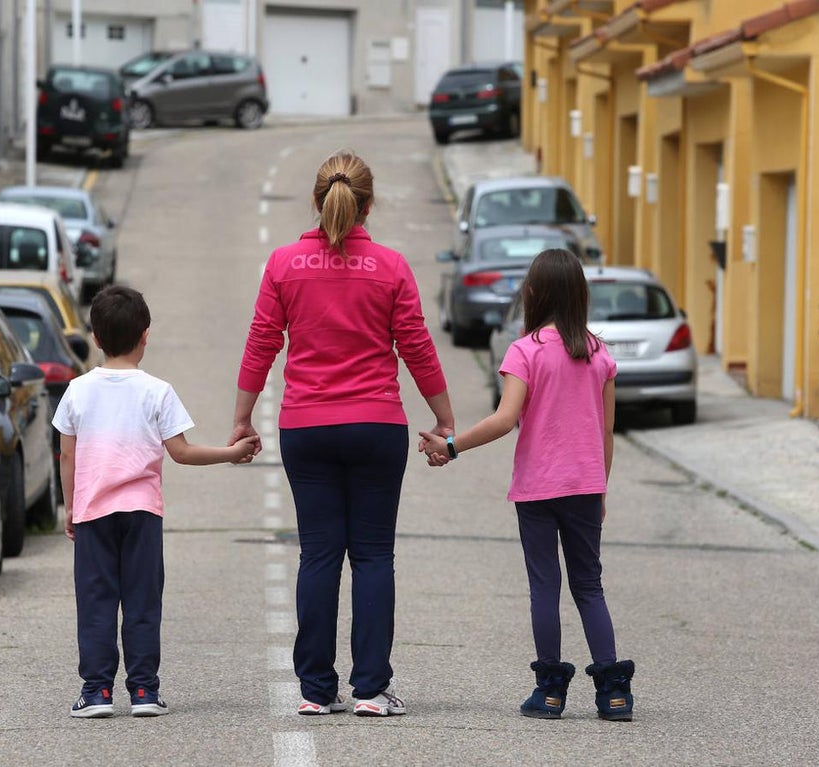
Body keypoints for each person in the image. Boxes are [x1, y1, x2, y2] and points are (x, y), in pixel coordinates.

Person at [231, 151, 454, 717]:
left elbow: (262, 342)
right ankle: (373, 690)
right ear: (368, 205)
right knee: (374, 556)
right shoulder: (392, 266)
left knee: (319, 555)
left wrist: (243, 417)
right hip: (376, 425)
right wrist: (444, 417)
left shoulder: (283, 264)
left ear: (315, 199)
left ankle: (314, 690)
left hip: (306, 426)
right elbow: (417, 347)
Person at [419, 248, 635, 722]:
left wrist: (451, 445)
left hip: (538, 490)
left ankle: (551, 693)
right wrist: (600, 490)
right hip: (584, 488)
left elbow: (504, 419)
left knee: (545, 586)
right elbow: (605, 434)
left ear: (532, 294)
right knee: (589, 586)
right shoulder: (600, 356)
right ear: (581, 295)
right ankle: (614, 694)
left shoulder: (527, 350)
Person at [53, 285, 257, 719]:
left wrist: (71, 506)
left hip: (92, 514)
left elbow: (67, 454)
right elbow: (181, 453)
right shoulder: (158, 391)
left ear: (94, 337)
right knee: (143, 601)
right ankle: (144, 692)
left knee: (96, 603)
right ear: (146, 335)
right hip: (143, 513)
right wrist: (231, 454)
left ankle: (96, 693)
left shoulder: (76, 391)